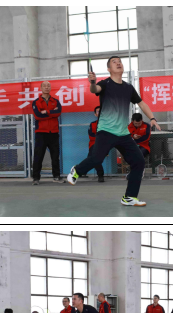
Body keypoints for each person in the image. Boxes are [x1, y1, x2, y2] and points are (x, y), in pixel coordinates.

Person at [67, 56, 162, 206]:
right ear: (109, 69)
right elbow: (94, 89)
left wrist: (152, 118)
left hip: (123, 133)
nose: (118, 63)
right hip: (106, 131)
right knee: (96, 159)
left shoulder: (128, 87)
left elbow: (141, 103)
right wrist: (92, 82)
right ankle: (77, 170)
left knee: (138, 162)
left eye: (120, 61)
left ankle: (129, 197)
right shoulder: (105, 84)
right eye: (114, 62)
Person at [31, 81, 63, 185]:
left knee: (55, 156)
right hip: (41, 133)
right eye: (44, 86)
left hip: (53, 133)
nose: (46, 87)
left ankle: (56, 176)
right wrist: (52, 112)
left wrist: (46, 111)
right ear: (41, 88)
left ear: (50, 88)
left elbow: (58, 112)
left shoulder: (55, 101)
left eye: (48, 85)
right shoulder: (36, 102)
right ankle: (36, 178)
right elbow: (38, 116)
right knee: (38, 156)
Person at [127, 113, 151, 180]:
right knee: (131, 156)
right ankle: (133, 172)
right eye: (136, 123)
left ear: (142, 120)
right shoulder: (129, 126)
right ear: (133, 121)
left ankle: (139, 171)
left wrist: (135, 139)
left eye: (139, 123)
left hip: (144, 146)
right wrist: (133, 136)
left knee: (139, 154)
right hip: (132, 146)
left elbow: (147, 137)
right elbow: (127, 136)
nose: (138, 125)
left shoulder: (147, 126)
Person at [87, 106, 105, 182]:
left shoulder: (109, 124)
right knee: (92, 157)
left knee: (92, 157)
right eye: (98, 112)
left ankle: (80, 170)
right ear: (95, 114)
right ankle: (100, 175)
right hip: (94, 144)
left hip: (106, 144)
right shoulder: (92, 124)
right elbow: (91, 136)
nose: (99, 113)